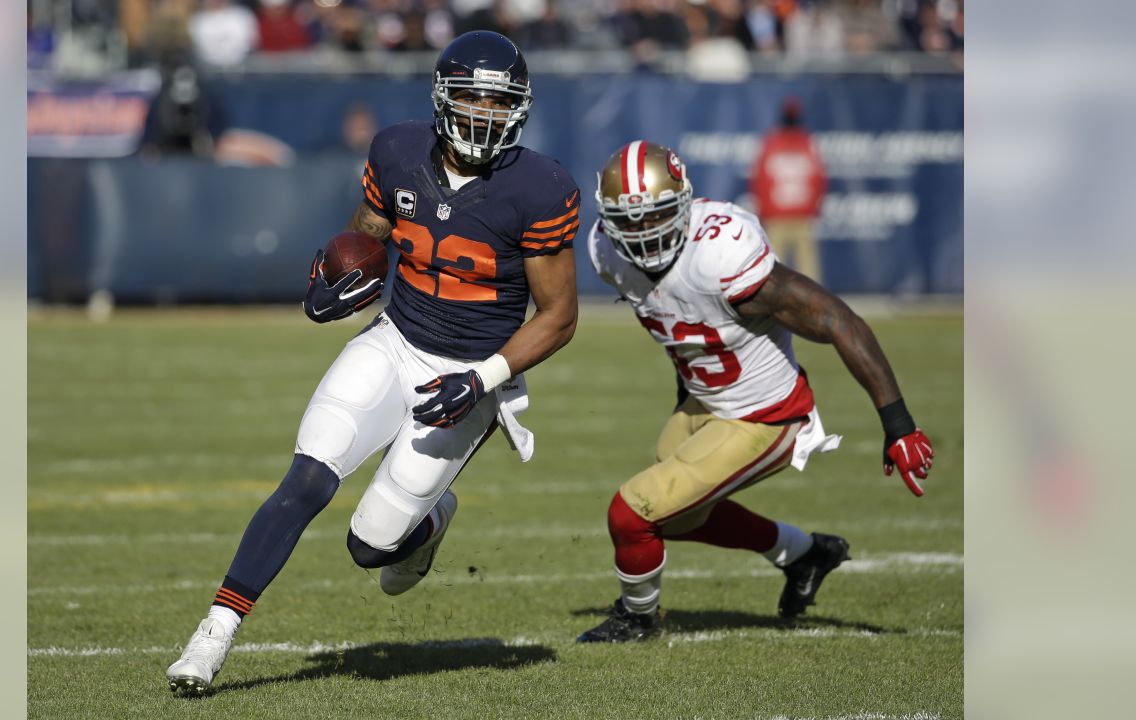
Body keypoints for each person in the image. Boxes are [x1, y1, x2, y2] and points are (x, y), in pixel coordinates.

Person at [165, 30, 580, 693]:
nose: (483, 115)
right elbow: (372, 226)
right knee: (306, 478)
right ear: (442, 99)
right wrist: (342, 268)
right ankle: (211, 636)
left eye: (498, 103)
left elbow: (558, 316)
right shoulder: (396, 151)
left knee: (372, 549)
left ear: (519, 109)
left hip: (467, 375)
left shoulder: (539, 187)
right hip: (395, 340)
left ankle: (433, 520)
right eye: (471, 98)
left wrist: (482, 380)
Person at [577, 140, 934, 643]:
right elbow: (678, 323)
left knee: (633, 511)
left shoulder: (721, 252)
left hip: (764, 414)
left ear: (683, 204)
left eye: (654, 215)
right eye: (628, 220)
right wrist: (686, 392)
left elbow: (837, 320)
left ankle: (637, 619)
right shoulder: (606, 252)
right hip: (705, 399)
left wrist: (898, 425)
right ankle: (806, 554)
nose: (642, 233)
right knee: (678, 517)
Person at [750, 97, 828, 282]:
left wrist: (764, 211)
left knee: (773, 271)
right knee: (808, 273)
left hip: (777, 215)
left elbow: (760, 180)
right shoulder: (807, 144)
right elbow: (819, 179)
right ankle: (811, 308)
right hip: (801, 215)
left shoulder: (772, 144)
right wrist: (814, 209)